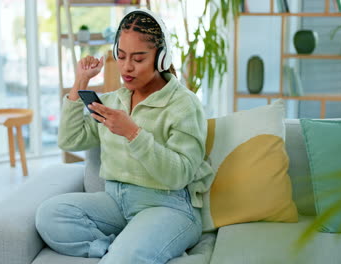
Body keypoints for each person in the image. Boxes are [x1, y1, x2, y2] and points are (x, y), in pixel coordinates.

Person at [35, 9, 214, 264]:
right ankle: (116, 249)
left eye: (138, 59)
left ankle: (129, 250)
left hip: (167, 206)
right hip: (115, 203)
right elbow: (70, 140)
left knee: (124, 258)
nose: (127, 67)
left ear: (160, 58)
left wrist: (133, 132)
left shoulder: (184, 105)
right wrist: (81, 82)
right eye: (121, 56)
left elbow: (180, 174)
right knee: (49, 215)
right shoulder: (112, 101)